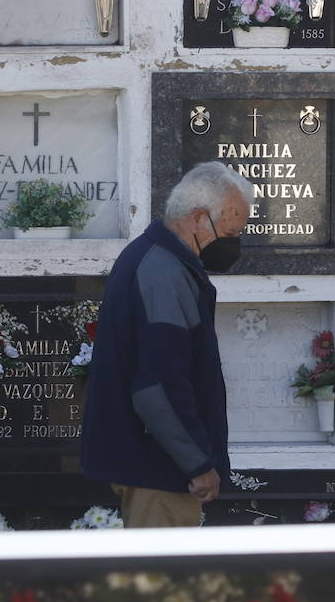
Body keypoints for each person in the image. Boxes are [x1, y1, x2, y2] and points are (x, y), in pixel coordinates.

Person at [81, 161, 252, 528]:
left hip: (154, 466)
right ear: (196, 219)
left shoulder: (157, 260)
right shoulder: (163, 274)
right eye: (231, 230)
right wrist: (197, 463)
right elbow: (158, 386)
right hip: (158, 473)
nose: (235, 242)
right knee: (162, 581)